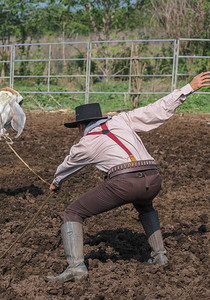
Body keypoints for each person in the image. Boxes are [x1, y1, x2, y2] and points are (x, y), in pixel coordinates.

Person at [47, 72, 210, 282]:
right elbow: (156, 110)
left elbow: (68, 165)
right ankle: (160, 255)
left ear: (81, 126)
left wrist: (56, 182)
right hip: (153, 178)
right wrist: (188, 88)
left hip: (125, 182)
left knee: (73, 212)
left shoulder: (86, 143)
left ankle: (76, 267)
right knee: (144, 205)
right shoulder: (123, 120)